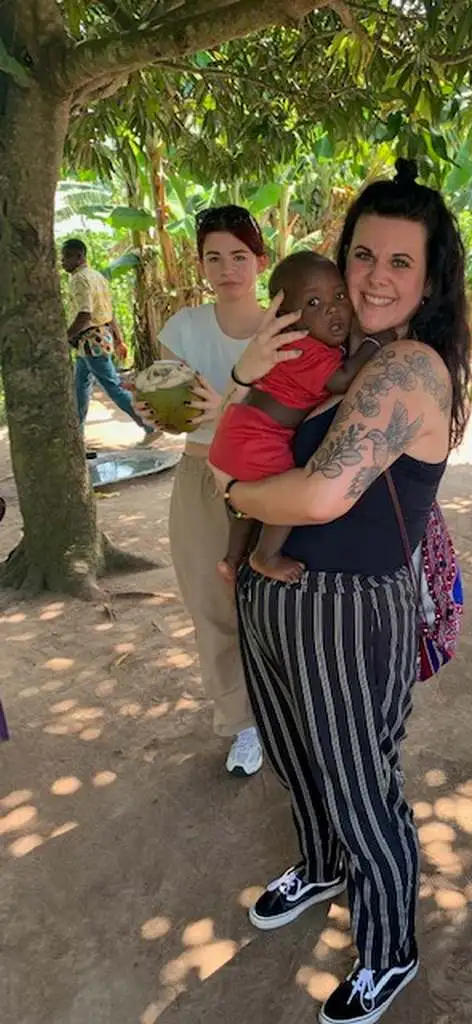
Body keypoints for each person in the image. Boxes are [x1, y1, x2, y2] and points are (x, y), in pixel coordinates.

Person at [209, 159, 472, 1024]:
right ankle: (321, 867)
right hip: (274, 594)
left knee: (361, 787)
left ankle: (389, 948)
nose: (375, 277)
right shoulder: (328, 347)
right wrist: (245, 378)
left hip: (347, 612)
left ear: (430, 280)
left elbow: (321, 496)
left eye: (401, 261)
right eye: (363, 254)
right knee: (295, 755)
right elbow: (250, 422)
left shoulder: (410, 371)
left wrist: (231, 492)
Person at [137, 206, 304, 777]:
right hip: (199, 475)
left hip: (270, 480)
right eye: (214, 258)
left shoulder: (285, 325)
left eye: (239, 256)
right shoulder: (183, 328)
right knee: (212, 608)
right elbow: (179, 416)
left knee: (280, 605)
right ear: (201, 264)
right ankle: (242, 723)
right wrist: (157, 412)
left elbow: (296, 409)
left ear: (260, 260)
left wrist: (229, 405)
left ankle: (288, 712)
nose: (227, 269)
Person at [209, 250, 394, 583]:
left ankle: (231, 559)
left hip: (239, 431)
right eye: (313, 303)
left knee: (247, 507)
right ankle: (265, 556)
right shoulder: (302, 349)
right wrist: (374, 343)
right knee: (286, 497)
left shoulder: (309, 345)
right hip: (259, 436)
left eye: (339, 296)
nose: (332, 309)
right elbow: (342, 380)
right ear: (288, 318)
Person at [61, 239, 160, 452]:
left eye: (66, 257)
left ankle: (150, 425)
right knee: (80, 388)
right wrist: (118, 338)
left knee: (113, 387)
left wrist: (64, 337)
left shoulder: (79, 279)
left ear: (79, 256)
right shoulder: (97, 276)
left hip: (90, 341)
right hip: (97, 339)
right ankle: (76, 437)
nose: (62, 262)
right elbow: (109, 311)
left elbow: (85, 314)